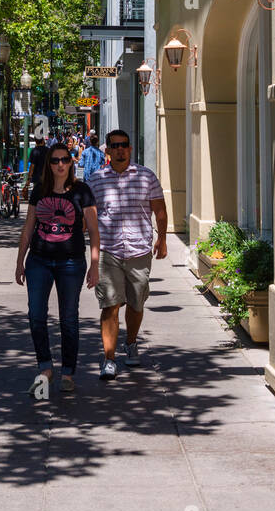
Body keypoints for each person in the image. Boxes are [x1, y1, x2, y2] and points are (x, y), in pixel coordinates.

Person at [15, 141, 100, 397]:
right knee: (36, 315)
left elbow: (94, 230)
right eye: (55, 160)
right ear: (49, 165)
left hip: (71, 263)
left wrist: (95, 265)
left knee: (69, 318)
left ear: (71, 163)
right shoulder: (40, 190)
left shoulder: (82, 191)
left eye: (65, 160)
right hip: (38, 261)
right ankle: (45, 367)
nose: (60, 164)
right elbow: (28, 227)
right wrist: (20, 261)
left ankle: (68, 373)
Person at [88, 129, 167, 380]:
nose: (120, 149)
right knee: (110, 305)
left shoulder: (146, 176)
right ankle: (109, 359)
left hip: (139, 250)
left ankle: (131, 342)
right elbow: (87, 217)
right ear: (108, 151)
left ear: (130, 148)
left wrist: (162, 239)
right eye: (115, 145)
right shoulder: (96, 180)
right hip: (108, 250)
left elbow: (160, 210)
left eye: (124, 145)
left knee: (136, 303)